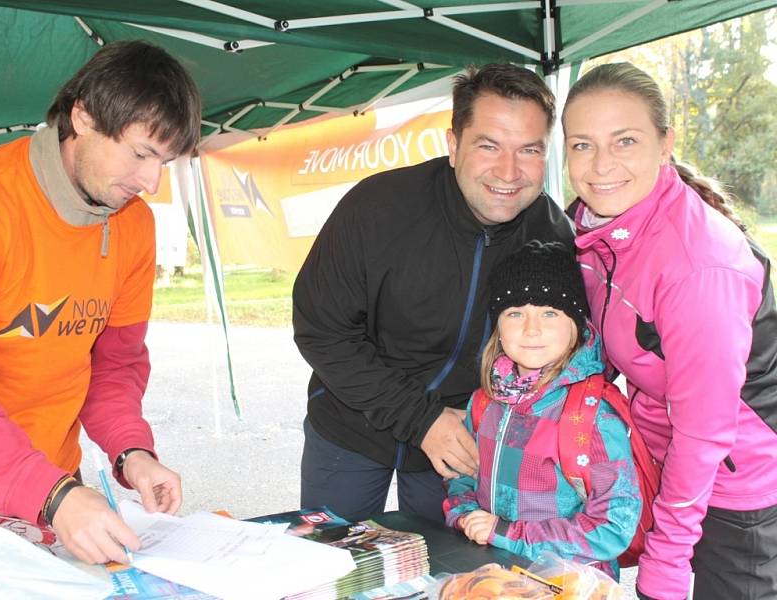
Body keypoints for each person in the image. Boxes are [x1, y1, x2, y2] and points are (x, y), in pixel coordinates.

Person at [293, 63, 574, 523]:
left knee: (449, 579)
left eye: (529, 150)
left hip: (464, 440)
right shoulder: (377, 207)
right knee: (333, 571)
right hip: (350, 425)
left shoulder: (552, 235)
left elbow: (562, 354)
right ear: (453, 144)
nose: (509, 171)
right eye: (488, 145)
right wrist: (420, 419)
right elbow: (320, 331)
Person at [0, 40, 202, 565]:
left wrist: (133, 453)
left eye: (165, 161)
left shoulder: (134, 225)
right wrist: (51, 496)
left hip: (53, 488)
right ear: (82, 116)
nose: (151, 182)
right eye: (142, 153)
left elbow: (114, 363)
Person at [563, 62, 777, 600]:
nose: (601, 164)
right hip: (666, 468)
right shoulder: (599, 234)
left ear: (666, 143)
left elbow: (705, 432)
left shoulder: (698, 264)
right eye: (582, 145)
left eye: (625, 140)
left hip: (741, 488)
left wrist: (666, 561)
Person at [443, 241, 641, 578]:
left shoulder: (592, 416)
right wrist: (464, 514)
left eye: (549, 312)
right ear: (498, 325)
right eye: (515, 312)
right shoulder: (485, 400)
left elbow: (613, 527)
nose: (531, 329)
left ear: (576, 324)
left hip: (569, 583)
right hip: (497, 577)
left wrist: (507, 534)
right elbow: (464, 475)